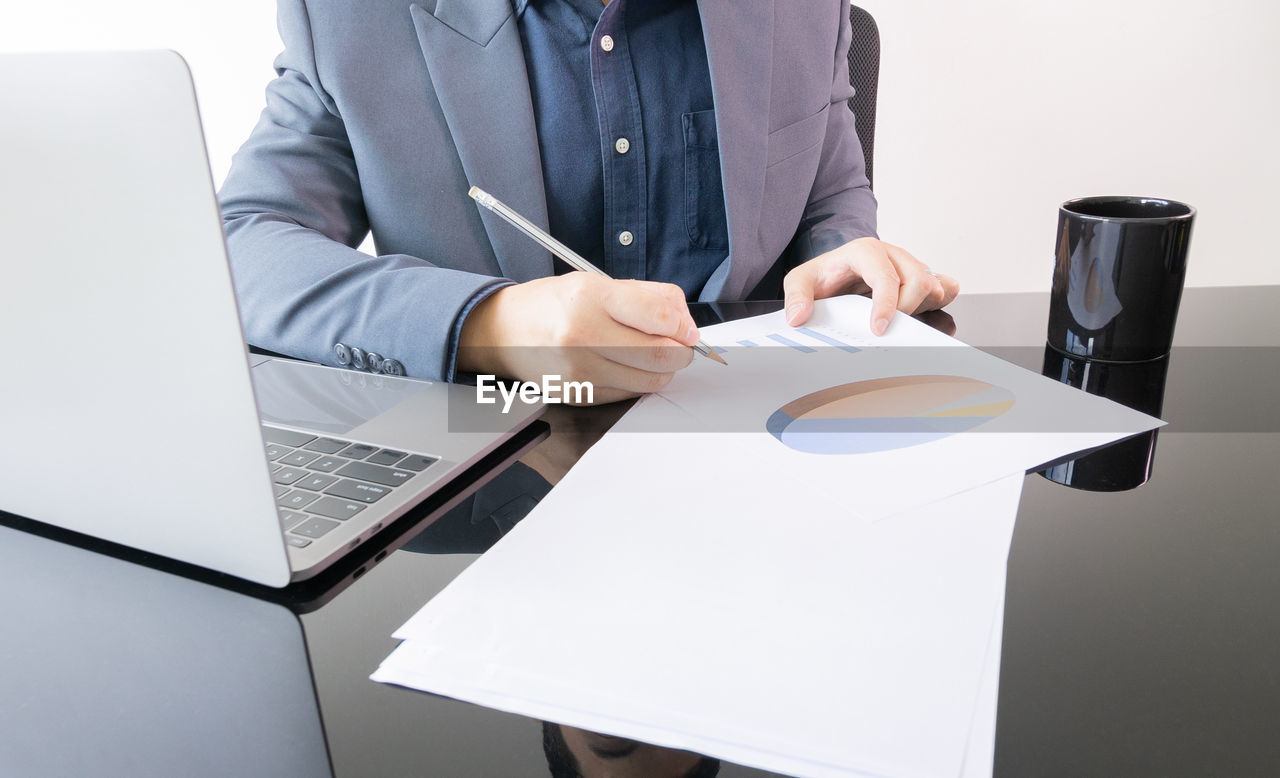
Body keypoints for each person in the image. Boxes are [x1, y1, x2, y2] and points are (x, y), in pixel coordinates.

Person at [219, 0, 958, 403]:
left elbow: (827, 190)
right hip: (499, 483)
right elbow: (242, 243)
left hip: (756, 451)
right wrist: (495, 324)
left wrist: (843, 254)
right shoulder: (351, 18)